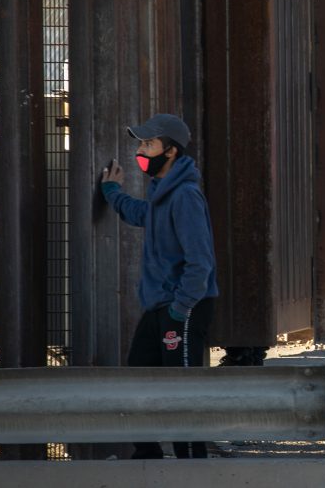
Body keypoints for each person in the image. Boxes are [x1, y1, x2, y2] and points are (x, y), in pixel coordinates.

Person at [100, 113, 219, 459]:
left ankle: (191, 466)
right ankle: (148, 457)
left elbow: (201, 262)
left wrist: (180, 309)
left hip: (182, 307)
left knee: (182, 391)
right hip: (160, 307)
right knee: (138, 378)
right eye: (141, 143)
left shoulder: (185, 196)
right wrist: (112, 192)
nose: (141, 150)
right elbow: (142, 214)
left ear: (170, 151)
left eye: (148, 144)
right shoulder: (163, 192)